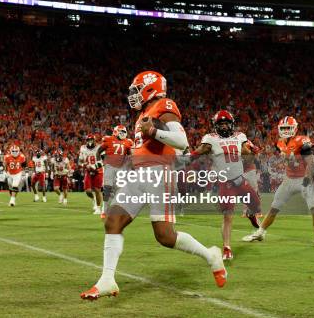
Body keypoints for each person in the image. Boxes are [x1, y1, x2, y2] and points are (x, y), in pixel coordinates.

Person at [81, 70, 226, 300]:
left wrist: (154, 131)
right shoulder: (143, 114)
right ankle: (107, 280)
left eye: (137, 90)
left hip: (160, 174)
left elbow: (181, 141)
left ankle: (211, 256)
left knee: (165, 237)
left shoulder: (164, 104)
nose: (134, 96)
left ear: (150, 88)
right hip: (140, 175)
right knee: (113, 221)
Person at [242, 116, 314, 248]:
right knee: (274, 208)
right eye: (283, 128)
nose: (286, 131)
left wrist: (307, 176)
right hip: (288, 180)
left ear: (294, 128)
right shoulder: (280, 143)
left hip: (303, 179)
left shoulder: (302, 140)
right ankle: (260, 233)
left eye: (288, 128)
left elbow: (310, 161)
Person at [190, 110, 261, 260]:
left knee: (256, 205)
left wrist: (252, 152)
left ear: (231, 124)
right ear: (215, 125)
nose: (223, 126)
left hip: (241, 180)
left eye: (226, 123)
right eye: (220, 124)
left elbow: (246, 154)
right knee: (228, 216)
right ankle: (227, 248)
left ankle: (250, 214)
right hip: (226, 184)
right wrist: (188, 157)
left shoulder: (239, 136)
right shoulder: (211, 138)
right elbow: (201, 150)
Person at [97, 125, 134, 219]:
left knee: (120, 189)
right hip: (109, 166)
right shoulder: (109, 139)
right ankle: (104, 210)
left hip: (121, 168)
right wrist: (98, 162)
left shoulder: (128, 142)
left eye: (124, 132)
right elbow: (99, 151)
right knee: (107, 188)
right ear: (116, 132)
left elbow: (130, 156)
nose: (123, 134)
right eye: (121, 131)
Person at [79, 135, 104, 214]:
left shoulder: (99, 147)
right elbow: (80, 161)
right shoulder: (83, 148)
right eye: (88, 140)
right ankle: (94, 199)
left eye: (91, 140)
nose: (90, 141)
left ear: (94, 140)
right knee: (88, 191)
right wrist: (84, 165)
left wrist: (95, 166)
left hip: (98, 170)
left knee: (97, 190)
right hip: (88, 171)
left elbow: (104, 160)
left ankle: (98, 208)